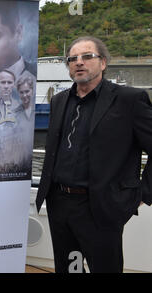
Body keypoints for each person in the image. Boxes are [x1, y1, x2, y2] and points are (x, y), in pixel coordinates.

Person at [36, 36, 152, 273]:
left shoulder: (128, 100)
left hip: (101, 207)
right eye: (73, 58)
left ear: (103, 63)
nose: (79, 62)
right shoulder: (59, 101)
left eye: (88, 56)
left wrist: (141, 193)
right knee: (69, 268)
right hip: (60, 204)